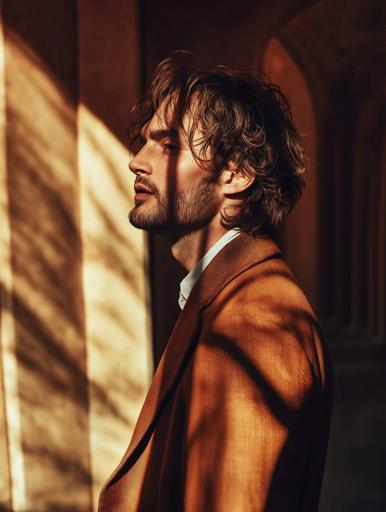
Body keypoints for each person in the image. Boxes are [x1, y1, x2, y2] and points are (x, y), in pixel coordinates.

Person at [98, 54, 333, 511]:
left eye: (168, 146)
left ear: (237, 174)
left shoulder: (253, 324)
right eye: (143, 141)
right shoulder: (225, 297)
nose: (136, 161)